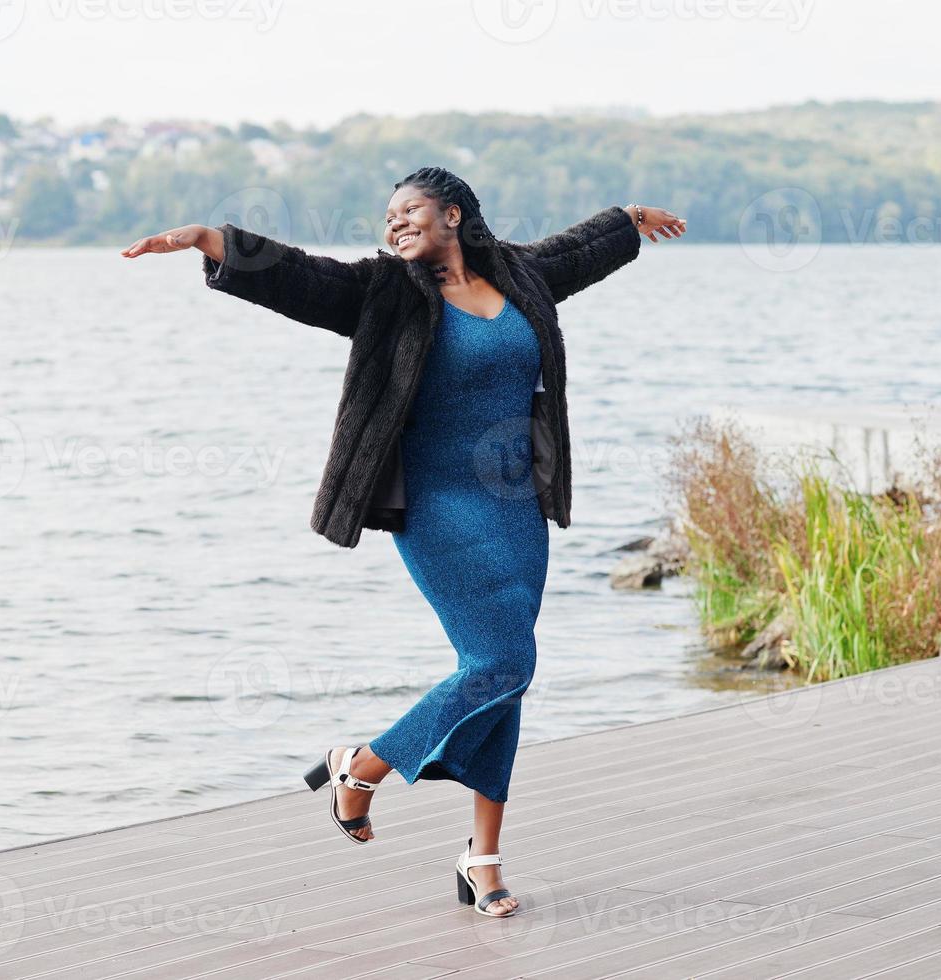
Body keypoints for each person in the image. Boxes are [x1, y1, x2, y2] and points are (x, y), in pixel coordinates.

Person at [122, 167, 685, 916]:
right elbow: (303, 277)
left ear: (452, 213)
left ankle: (481, 858)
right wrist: (213, 241)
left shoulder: (518, 274)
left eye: (408, 209)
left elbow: (573, 252)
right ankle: (361, 768)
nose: (393, 223)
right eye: (386, 216)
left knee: (503, 677)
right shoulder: (386, 293)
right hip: (435, 504)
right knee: (502, 660)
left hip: (517, 505)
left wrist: (624, 220)